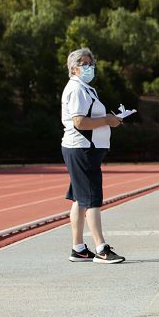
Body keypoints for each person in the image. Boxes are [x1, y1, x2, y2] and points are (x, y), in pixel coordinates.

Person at [60, 47, 125, 263]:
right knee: (92, 198)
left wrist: (110, 118)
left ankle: (78, 248)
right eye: (85, 64)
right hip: (82, 148)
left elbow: (89, 118)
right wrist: (107, 120)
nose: (90, 67)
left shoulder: (85, 88)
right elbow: (79, 122)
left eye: (91, 63)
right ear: (74, 68)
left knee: (81, 198)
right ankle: (101, 248)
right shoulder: (77, 89)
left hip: (84, 148)